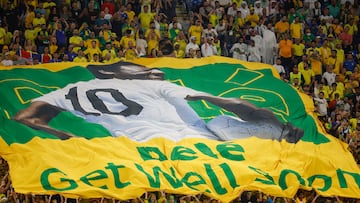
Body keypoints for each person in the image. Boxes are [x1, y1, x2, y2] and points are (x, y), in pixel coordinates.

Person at [14, 62, 304, 143]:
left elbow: (23, 118)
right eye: (141, 68)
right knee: (220, 122)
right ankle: (279, 135)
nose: (155, 71)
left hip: (142, 148)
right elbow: (222, 101)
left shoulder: (70, 89)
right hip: (198, 142)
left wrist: (71, 139)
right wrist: (273, 123)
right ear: (112, 72)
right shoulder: (151, 84)